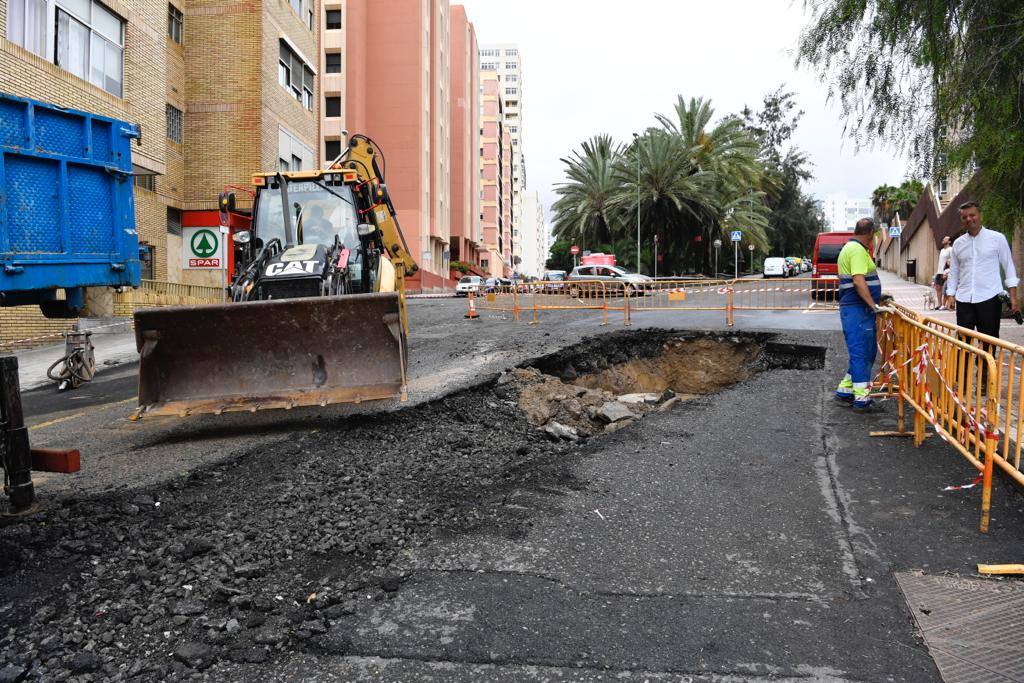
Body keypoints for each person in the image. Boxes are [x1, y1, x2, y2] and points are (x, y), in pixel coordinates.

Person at [945, 202, 1018, 338]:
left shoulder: (997, 239)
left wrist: (1013, 297)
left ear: (980, 216)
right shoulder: (958, 243)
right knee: (962, 343)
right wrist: (950, 295)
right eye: (964, 217)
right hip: (964, 300)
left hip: (990, 298)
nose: (968, 219)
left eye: (972, 215)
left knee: (988, 343)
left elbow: (1009, 267)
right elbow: (954, 271)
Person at [835, 218, 884, 412]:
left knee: (865, 352)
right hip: (858, 309)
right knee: (862, 353)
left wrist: (879, 296)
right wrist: (873, 305)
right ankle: (861, 400)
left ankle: (845, 390)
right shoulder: (856, 250)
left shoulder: (852, 248)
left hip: (857, 309)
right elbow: (858, 281)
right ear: (871, 232)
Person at [933, 235, 952, 309]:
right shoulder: (942, 250)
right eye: (943, 238)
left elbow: (952, 260)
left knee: (945, 289)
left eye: (945, 239)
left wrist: (949, 272)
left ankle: (945, 305)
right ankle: (939, 304)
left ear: (949, 241)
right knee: (938, 288)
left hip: (946, 272)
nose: (943, 239)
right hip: (939, 271)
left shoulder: (950, 249)